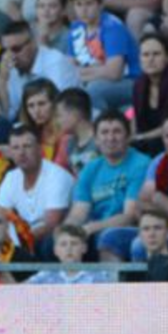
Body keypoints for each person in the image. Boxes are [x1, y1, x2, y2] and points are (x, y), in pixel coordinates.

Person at [65, 110, 149, 260]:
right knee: (57, 242)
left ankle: (111, 277)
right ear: (96, 140)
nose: (110, 138)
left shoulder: (141, 164)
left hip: (129, 230)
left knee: (108, 237)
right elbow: (78, 212)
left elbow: (129, 216)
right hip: (94, 229)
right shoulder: (91, 168)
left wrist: (91, 228)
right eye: (104, 132)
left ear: (128, 137)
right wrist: (68, 232)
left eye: (117, 132)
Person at [0, 123, 74, 251]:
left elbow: (50, 225)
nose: (21, 153)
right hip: (27, 239)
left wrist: (20, 242)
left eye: (27, 146)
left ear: (39, 149)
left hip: (59, 240)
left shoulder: (57, 176)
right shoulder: (11, 177)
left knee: (47, 243)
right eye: (16, 148)